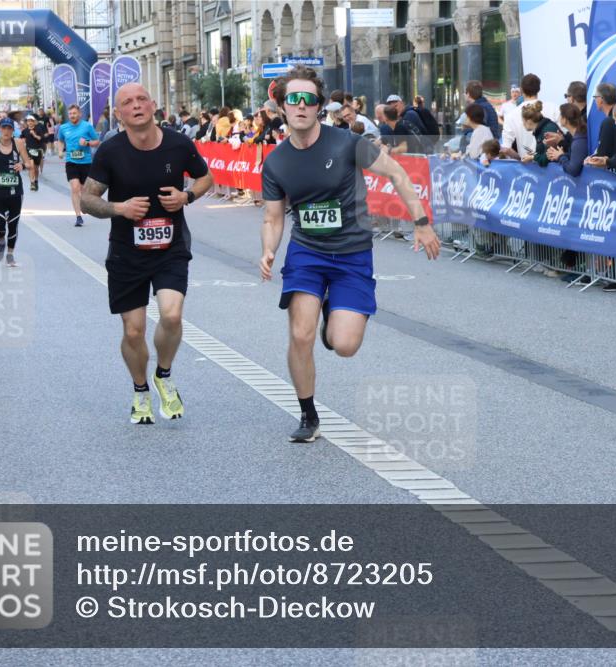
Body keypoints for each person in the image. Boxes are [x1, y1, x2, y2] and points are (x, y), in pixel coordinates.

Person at [258, 66, 441, 442]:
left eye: (309, 99)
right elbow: (273, 217)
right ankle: (308, 415)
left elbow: (397, 174)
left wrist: (421, 221)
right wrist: (268, 250)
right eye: (294, 99)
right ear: (282, 107)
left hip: (352, 254)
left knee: (345, 345)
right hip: (306, 252)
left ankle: (333, 313)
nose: (301, 105)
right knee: (300, 333)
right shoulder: (275, 162)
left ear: (320, 106)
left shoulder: (347, 143)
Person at [81, 83, 214, 424]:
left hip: (171, 247)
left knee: (171, 316)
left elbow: (205, 178)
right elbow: (87, 199)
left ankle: (163, 376)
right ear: (119, 113)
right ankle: (140, 390)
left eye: (142, 99)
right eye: (128, 102)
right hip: (127, 252)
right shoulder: (110, 151)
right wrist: (119, 208)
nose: (136, 105)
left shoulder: (178, 143)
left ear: (153, 105)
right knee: (133, 331)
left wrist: (187, 197)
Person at [0, 117, 32, 267]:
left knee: (13, 224)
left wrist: (22, 165)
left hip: (16, 190)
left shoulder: (19, 143)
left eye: (9, 128)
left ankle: (10, 254)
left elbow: (29, 163)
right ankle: (1, 241)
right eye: (4, 128)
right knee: (0, 224)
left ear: (13, 130)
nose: (6, 131)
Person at [56, 104, 100, 227]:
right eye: (70, 114)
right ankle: (78, 217)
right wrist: (60, 151)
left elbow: (97, 142)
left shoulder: (87, 126)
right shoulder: (63, 128)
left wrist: (86, 143)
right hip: (71, 162)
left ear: (79, 114)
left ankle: (83, 204)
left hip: (86, 162)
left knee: (84, 190)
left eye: (74, 113)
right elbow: (60, 140)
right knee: (75, 188)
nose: (72, 116)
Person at [501, 73, 543, 159]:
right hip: (549, 167)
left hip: (525, 167)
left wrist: (520, 159)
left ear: (522, 90)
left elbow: (506, 148)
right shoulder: (554, 109)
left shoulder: (511, 115)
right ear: (539, 89)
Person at [590, 82, 616, 159]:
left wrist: (591, 159)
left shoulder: (608, 122)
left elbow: (603, 153)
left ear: (600, 99)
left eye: (595, 97)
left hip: (613, 168)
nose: (595, 100)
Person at [544, 103, 588, 177]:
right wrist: (558, 155)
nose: (559, 117)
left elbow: (573, 170)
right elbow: (574, 157)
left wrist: (560, 156)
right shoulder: (578, 136)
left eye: (560, 115)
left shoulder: (579, 141)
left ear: (565, 120)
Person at [20, 114, 46, 191]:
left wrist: (34, 135)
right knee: (31, 167)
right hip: (29, 150)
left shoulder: (38, 129)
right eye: (28, 121)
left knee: (36, 169)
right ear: (27, 122)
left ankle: (36, 181)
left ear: (34, 122)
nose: (30, 122)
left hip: (37, 150)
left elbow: (41, 139)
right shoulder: (25, 131)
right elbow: (22, 139)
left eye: (31, 121)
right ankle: (32, 183)